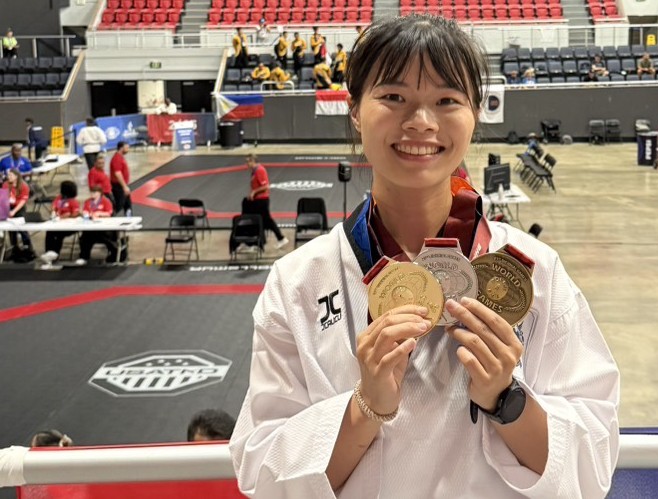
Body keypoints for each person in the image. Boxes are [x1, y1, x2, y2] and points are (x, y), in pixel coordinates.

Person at [229, 15, 619, 498]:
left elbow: (593, 458)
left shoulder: (536, 271)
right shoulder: (299, 282)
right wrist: (366, 407)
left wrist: (506, 400)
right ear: (355, 110)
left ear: (476, 112)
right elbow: (262, 471)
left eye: (447, 100)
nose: (421, 122)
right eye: (394, 97)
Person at [243, 153, 288, 249]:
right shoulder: (254, 171)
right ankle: (259, 242)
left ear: (253, 161)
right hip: (258, 200)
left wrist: (254, 192)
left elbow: (266, 186)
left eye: (247, 162)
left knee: (267, 220)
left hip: (262, 200)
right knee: (261, 221)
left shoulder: (260, 170)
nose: (246, 164)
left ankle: (281, 238)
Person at [39, 180, 80, 268]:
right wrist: (53, 211)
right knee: (50, 232)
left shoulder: (73, 201)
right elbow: (54, 206)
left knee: (58, 234)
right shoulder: (59, 198)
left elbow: (75, 214)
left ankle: (54, 254)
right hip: (58, 223)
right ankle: (49, 253)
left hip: (70, 226)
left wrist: (67, 216)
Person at [78, 185, 121, 265]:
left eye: (94, 192)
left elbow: (109, 213)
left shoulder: (106, 201)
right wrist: (86, 214)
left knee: (108, 237)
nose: (92, 194)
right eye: (91, 192)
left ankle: (113, 255)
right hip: (91, 227)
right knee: (85, 237)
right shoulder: (88, 201)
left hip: (104, 228)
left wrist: (100, 213)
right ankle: (84, 257)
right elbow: (85, 212)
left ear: (99, 193)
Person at [2, 168, 32, 255]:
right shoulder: (5, 184)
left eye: (10, 175)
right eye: (8, 175)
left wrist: (14, 211)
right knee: (11, 229)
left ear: (16, 176)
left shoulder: (24, 186)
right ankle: (14, 247)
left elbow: (23, 201)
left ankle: (28, 246)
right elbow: (3, 198)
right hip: (9, 207)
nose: (8, 177)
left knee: (21, 227)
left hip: (19, 208)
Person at [110, 141, 132, 216]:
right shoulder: (117, 159)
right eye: (127, 148)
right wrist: (124, 186)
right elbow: (117, 173)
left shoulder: (120, 157)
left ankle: (129, 218)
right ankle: (114, 219)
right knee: (119, 205)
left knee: (127, 204)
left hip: (121, 185)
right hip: (118, 186)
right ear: (121, 148)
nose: (128, 149)